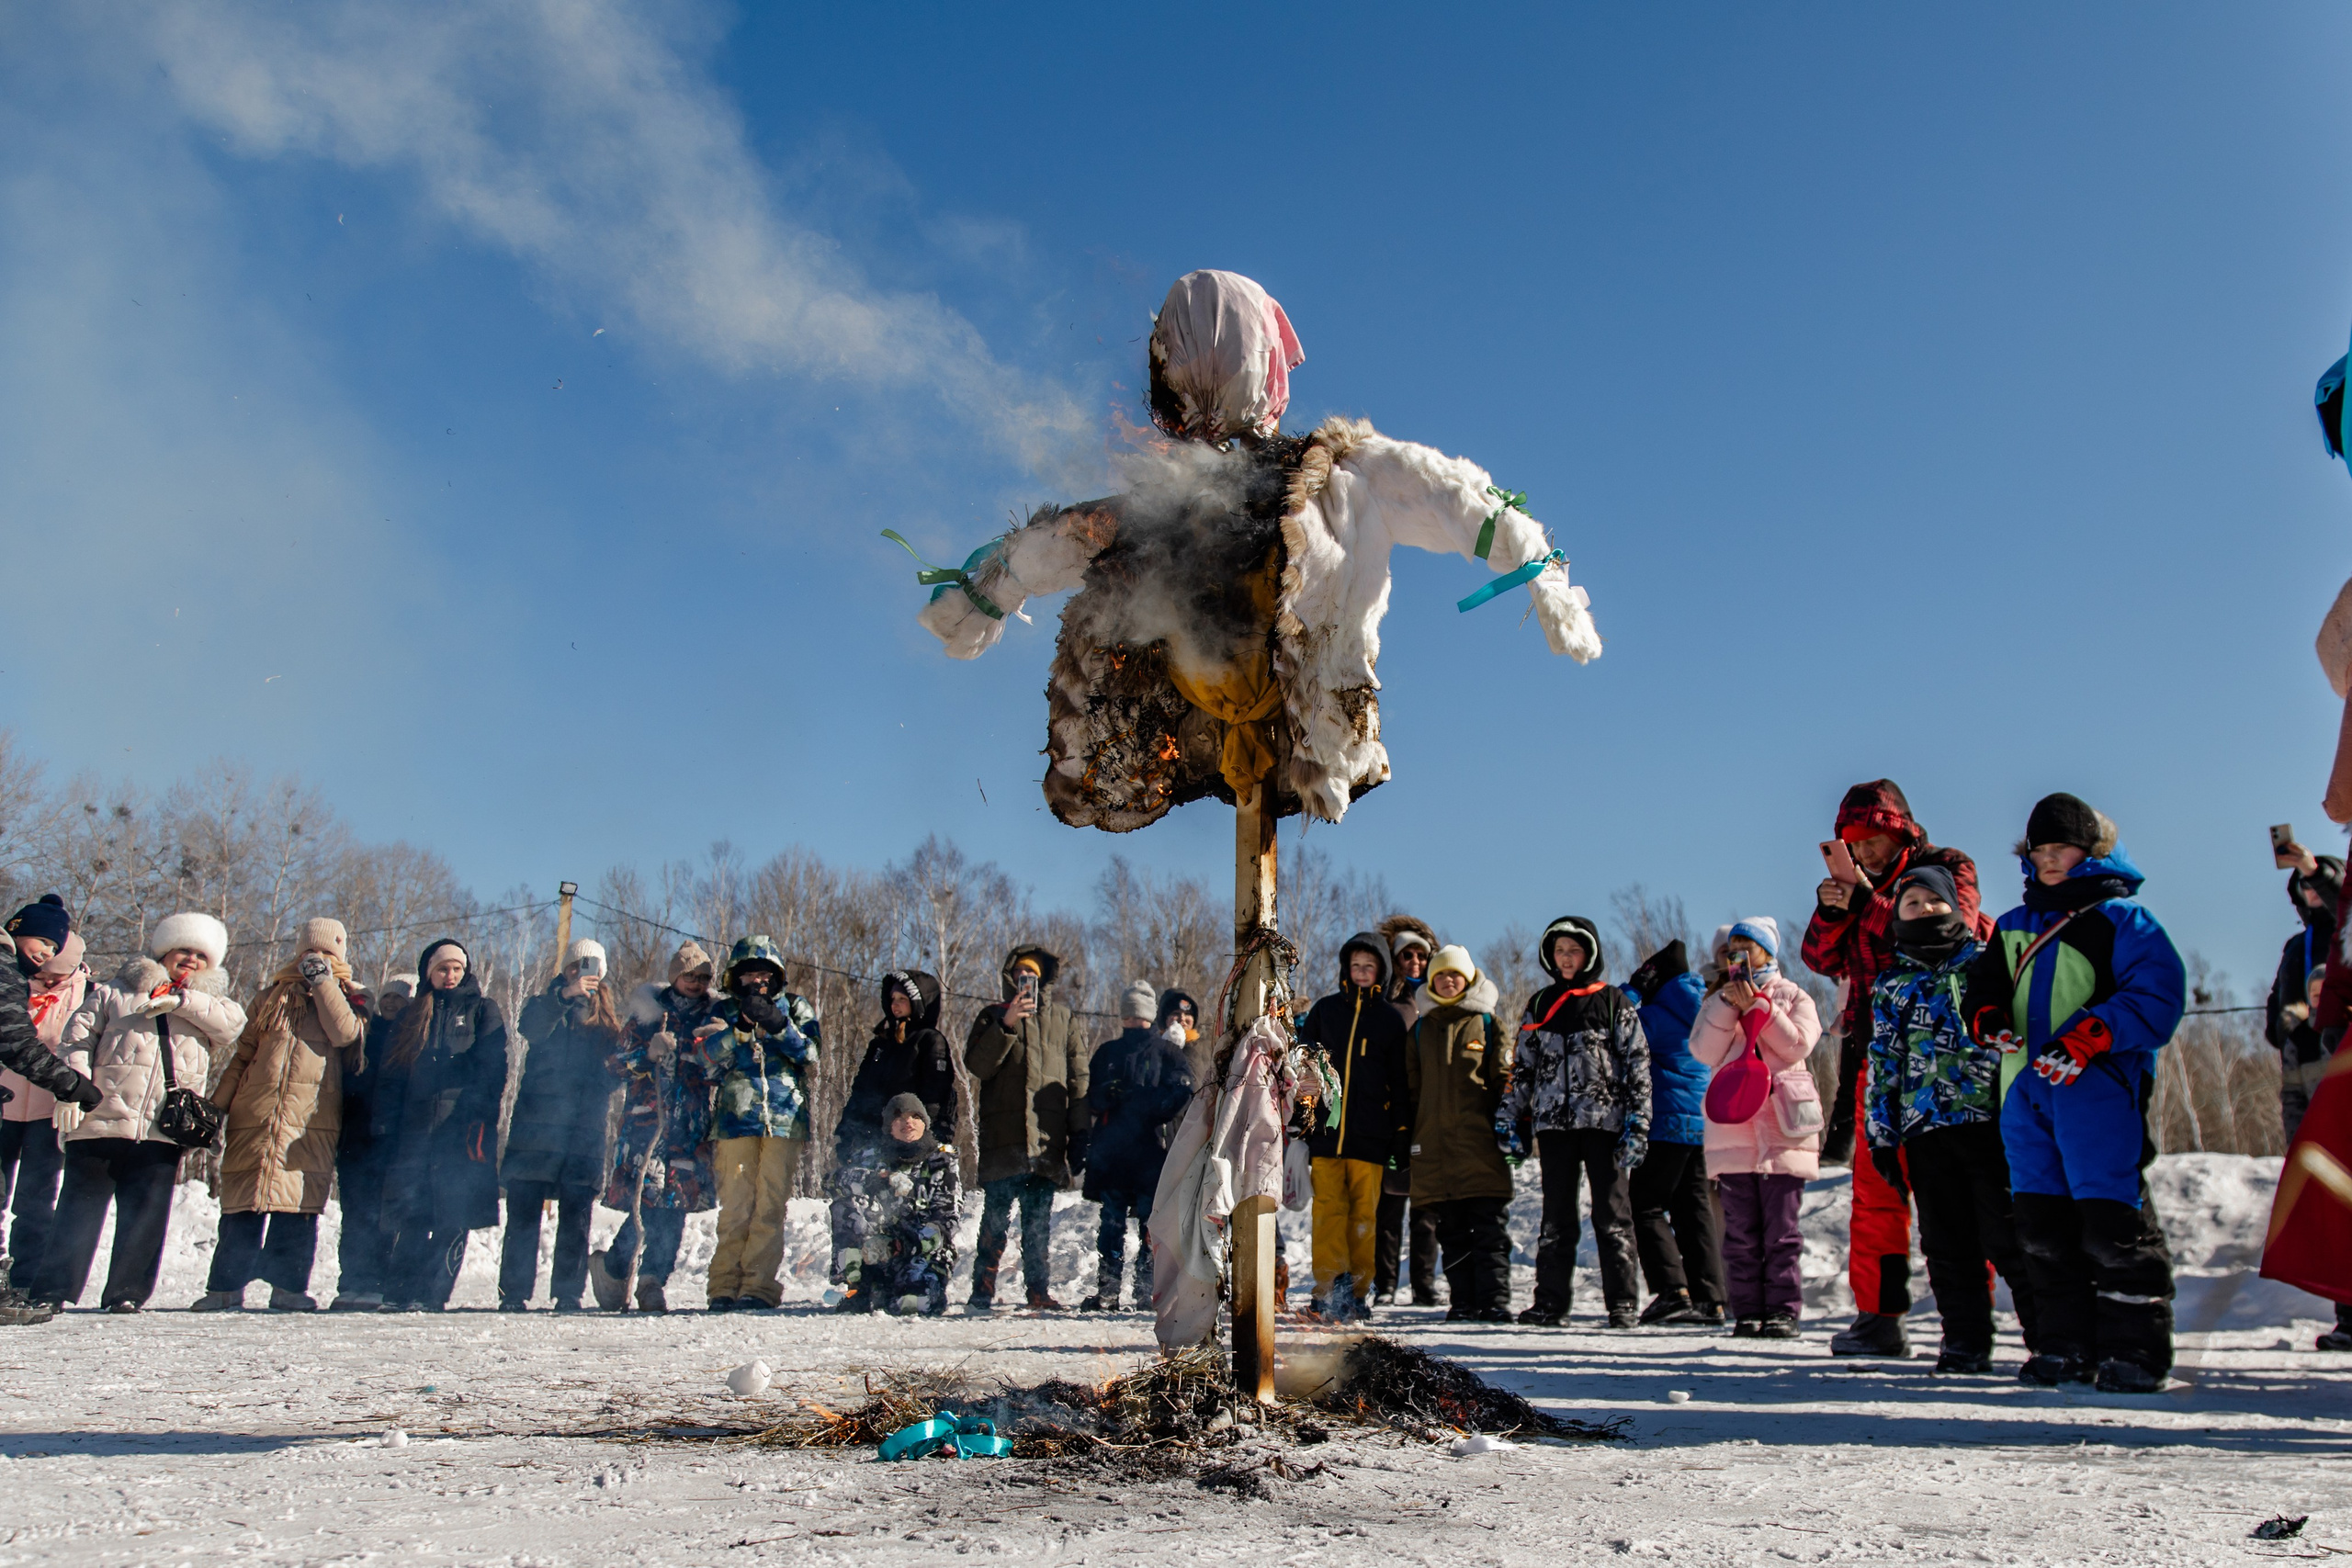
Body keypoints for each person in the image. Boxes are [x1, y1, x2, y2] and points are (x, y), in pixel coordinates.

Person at [1966, 793, 2185, 1393]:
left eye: (2061, 848)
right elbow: (1981, 989)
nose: (2049, 859)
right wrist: (1985, 1017)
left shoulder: (2123, 920)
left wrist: (2094, 1033)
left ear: (2092, 851)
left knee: (2111, 1219)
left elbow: (2158, 997)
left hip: (2097, 1093)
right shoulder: (2011, 926)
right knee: (2040, 1227)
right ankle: (2063, 1344)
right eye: (2039, 850)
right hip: (2023, 1095)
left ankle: (2134, 1349)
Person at [1800, 779, 1985, 1359]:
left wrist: (1866, 905)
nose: (1864, 851)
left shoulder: (1946, 868)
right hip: (1873, 1049)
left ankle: (1975, 1322)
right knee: (1875, 1191)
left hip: (1948, 1058)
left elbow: (1961, 931)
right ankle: (1879, 1315)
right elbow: (1817, 957)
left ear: (1899, 830)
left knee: (1961, 1193)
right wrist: (1836, 910)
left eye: (1873, 838)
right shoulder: (1854, 886)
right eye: (1853, 841)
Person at [1864, 867, 2038, 1373]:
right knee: (1945, 1243)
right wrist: (1881, 1138)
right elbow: (1883, 1063)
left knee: (2008, 1235)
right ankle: (1964, 1340)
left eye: (1932, 902)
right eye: (1910, 904)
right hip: (1925, 1130)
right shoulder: (1893, 983)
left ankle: (2049, 1338)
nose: (1923, 911)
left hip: (1990, 1122)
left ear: (1954, 906)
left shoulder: (1986, 962)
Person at [40, 912, 248, 1313]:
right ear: (164, 952)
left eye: (200, 955)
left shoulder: (211, 1004)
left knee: (146, 1216)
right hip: (99, 1118)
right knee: (78, 1210)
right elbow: (77, 1039)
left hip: (162, 1128)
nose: (189, 959)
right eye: (182, 950)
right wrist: (72, 1089)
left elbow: (231, 1027)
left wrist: (183, 1000)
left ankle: (127, 1293)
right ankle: (54, 1289)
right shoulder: (115, 992)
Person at [194, 918, 366, 1312]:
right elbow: (242, 1057)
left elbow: (343, 1034)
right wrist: (216, 1107)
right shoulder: (270, 996)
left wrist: (324, 983)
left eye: (325, 953)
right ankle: (225, 1287)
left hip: (311, 1119)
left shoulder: (352, 996)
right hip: (256, 1114)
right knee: (242, 1204)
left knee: (298, 1207)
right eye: (310, 952)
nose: (316, 959)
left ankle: (288, 1288)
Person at [1498, 916, 1649, 1328]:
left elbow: (1637, 1064)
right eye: (1560, 950)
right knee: (1556, 1217)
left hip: (1605, 1124)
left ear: (1590, 953)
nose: (1567, 958)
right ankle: (1549, 1302)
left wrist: (1638, 1121)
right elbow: (1523, 1068)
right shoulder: (1540, 1003)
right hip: (1554, 1128)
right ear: (1551, 955)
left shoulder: (1614, 1001)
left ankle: (1622, 1303)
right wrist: (1509, 1119)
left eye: (1574, 950)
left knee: (1612, 1215)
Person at [1688, 918, 1822, 1339]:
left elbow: (1799, 1044)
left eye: (1747, 947)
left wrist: (1761, 1007)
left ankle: (1783, 1311)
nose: (1736, 954)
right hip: (1735, 1132)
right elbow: (1703, 1051)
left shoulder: (1792, 995)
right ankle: (1746, 1312)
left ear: (1767, 951)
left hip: (1784, 1128)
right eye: (1731, 949)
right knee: (1741, 1234)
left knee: (1782, 1233)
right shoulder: (1716, 1001)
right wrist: (1728, 1006)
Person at [377, 938, 510, 1312]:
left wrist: (483, 1117)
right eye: (442, 969)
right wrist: (386, 1122)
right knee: (413, 1210)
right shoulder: (413, 1013)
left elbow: (494, 1067)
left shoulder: (483, 1010)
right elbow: (391, 1073)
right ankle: (399, 1292)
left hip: (462, 1125)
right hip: (416, 1125)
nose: (449, 976)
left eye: (456, 969)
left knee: (455, 1211)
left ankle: (434, 1294)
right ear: (429, 973)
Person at [592, 942, 719, 1314]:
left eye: (702, 977)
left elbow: (721, 1074)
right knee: (643, 1208)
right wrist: (645, 1053)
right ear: (674, 976)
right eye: (688, 975)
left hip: (688, 1132)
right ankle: (615, 1267)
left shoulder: (712, 1018)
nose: (695, 983)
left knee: (675, 1212)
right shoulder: (647, 1015)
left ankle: (652, 1282)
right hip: (646, 1129)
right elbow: (614, 1065)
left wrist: (716, 1046)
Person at [964, 945, 1089, 1312]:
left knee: (1038, 1225)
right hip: (1004, 1140)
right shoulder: (992, 1016)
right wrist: (1007, 1024)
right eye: (1020, 976)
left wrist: (1081, 1133)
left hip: (1046, 1143)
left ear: (1045, 980)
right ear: (1009, 979)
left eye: (1032, 977)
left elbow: (1079, 1080)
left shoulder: (1064, 1020)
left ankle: (1038, 1291)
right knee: (994, 1220)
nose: (1026, 982)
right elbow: (977, 1066)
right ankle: (982, 1290)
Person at [501, 940, 625, 1312]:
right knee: (523, 1215)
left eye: (588, 967)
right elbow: (531, 1029)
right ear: (565, 968)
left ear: (600, 973)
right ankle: (513, 1293)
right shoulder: (544, 1004)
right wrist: (564, 996)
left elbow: (613, 1077)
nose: (581, 972)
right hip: (535, 1130)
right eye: (574, 965)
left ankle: (569, 1293)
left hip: (583, 1132)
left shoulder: (606, 1020)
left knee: (576, 1216)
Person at [1295, 934, 1412, 1321]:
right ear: (1346, 969)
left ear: (1380, 972)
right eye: (1356, 966)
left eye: (1370, 966)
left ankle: (1359, 1292)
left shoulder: (1390, 1021)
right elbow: (1304, 1063)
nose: (1362, 972)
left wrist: (1399, 1133)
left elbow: (1401, 1081)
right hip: (1327, 1136)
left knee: (1365, 1215)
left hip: (1371, 1137)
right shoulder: (1326, 1012)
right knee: (1328, 1211)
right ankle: (1329, 1287)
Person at [703, 935, 821, 1313]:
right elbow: (706, 1056)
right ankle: (723, 1286)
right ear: (735, 978)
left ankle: (758, 1287)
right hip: (736, 1120)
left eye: (764, 974)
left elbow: (810, 1052)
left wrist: (778, 1023)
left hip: (784, 1120)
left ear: (776, 977)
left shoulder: (796, 1006)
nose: (757, 982)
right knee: (736, 1206)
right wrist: (739, 1026)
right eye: (749, 974)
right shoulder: (721, 1010)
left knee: (769, 1206)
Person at [0, 912, 103, 1325]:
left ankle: (25, 1281)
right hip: (13, 1103)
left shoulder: (87, 992)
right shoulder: (6, 968)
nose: (45, 957)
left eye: (54, 950)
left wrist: (71, 1088)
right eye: (41, 943)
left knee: (37, 1199)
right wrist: (71, 1085)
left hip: (45, 1111)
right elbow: (14, 1039)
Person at [1407, 944, 1513, 1322]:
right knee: (1451, 1233)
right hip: (1436, 1151)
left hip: (1481, 1146)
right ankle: (1463, 1301)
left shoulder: (1488, 1023)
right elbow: (1412, 1091)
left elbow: (1504, 1082)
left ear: (1467, 979)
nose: (1448, 980)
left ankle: (1495, 1301)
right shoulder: (1421, 1030)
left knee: (1489, 1231)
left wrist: (1511, 1129)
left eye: (1455, 975)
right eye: (1440, 975)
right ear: (1431, 982)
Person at [1622, 939, 1724, 1325]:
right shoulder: (1705, 1007)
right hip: (1700, 1124)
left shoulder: (1655, 1014)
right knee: (1692, 1209)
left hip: (1665, 1121)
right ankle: (1710, 1297)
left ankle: (1672, 1291)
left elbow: (1617, 1020)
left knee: (1644, 1204)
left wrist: (1633, 989)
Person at [1080, 981, 1196, 1313]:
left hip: (1150, 1153)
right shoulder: (1108, 1052)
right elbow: (1091, 1097)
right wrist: (1108, 1095)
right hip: (1112, 1153)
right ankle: (1108, 1289)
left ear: (1149, 1017)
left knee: (1150, 1226)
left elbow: (1184, 1092)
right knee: (1112, 1224)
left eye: (1139, 1015)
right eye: (1128, 1014)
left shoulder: (1167, 1052)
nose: (1133, 1020)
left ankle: (1147, 1290)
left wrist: (1147, 1104)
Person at [831, 1093, 960, 1316]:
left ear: (925, 1123)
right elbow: (834, 1181)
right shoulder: (873, 1155)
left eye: (915, 1117)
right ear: (889, 1125)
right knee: (845, 1207)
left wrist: (899, 1244)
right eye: (899, 1117)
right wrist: (876, 1180)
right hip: (873, 1253)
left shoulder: (941, 1159)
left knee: (914, 1305)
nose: (907, 1122)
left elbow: (946, 1221)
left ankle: (897, 1291)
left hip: (921, 1252)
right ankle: (856, 1288)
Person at [330, 971, 411, 1312]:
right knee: (355, 1212)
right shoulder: (365, 1033)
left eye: (400, 998)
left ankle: (380, 1282)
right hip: (356, 1135)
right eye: (388, 997)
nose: (392, 1003)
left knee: (386, 1215)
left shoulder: (413, 1038)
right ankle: (351, 1282)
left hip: (394, 1141)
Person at [1374, 914, 1442, 1307]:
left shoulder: (1440, 998)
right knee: (1390, 1201)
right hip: (1393, 1106)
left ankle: (1424, 1283)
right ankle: (1385, 1282)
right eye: (1406, 956)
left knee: (1426, 1203)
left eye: (1420, 955)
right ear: (1395, 959)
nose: (1414, 962)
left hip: (1430, 1108)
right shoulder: (1388, 1002)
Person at [838, 970, 957, 1160]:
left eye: (902, 998)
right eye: (893, 998)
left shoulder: (929, 1040)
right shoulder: (880, 1043)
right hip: (873, 1136)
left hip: (911, 1138)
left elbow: (935, 1095)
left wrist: (928, 1137)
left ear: (918, 1002)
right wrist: (847, 1130)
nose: (895, 1004)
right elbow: (860, 1090)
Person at [2268, 843, 2344, 1141]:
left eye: (2315, 883)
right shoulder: (2296, 944)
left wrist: (2314, 870)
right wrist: (2280, 1029)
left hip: (2341, 1037)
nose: (2309, 888)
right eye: (2304, 883)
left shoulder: (2345, 933)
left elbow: (2344, 905)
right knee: (2309, 1126)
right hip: (2303, 1044)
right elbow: (2278, 992)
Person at [1155, 987, 1211, 1091]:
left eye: (1188, 1014)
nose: (1183, 1018)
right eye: (1176, 1013)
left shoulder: (1207, 1048)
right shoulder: (1154, 1048)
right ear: (1164, 1018)